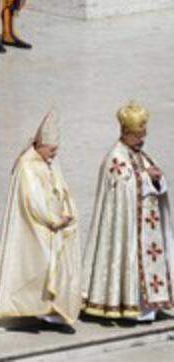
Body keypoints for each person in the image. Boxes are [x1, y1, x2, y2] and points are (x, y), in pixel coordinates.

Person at [0, 109, 80, 334]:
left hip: (56, 223)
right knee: (40, 266)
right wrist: (54, 220)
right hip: (35, 226)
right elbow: (33, 201)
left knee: (60, 267)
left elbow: (62, 188)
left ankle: (54, 313)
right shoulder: (27, 166)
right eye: (52, 150)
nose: (54, 155)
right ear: (41, 146)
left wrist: (68, 212)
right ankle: (36, 311)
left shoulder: (48, 161)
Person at [81, 103, 174, 322]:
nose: (142, 140)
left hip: (147, 226)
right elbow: (123, 185)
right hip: (128, 228)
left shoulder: (140, 154)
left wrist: (157, 178)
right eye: (138, 135)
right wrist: (145, 177)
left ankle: (150, 305)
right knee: (129, 262)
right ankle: (130, 307)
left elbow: (145, 177)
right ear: (126, 133)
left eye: (144, 134)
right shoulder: (116, 157)